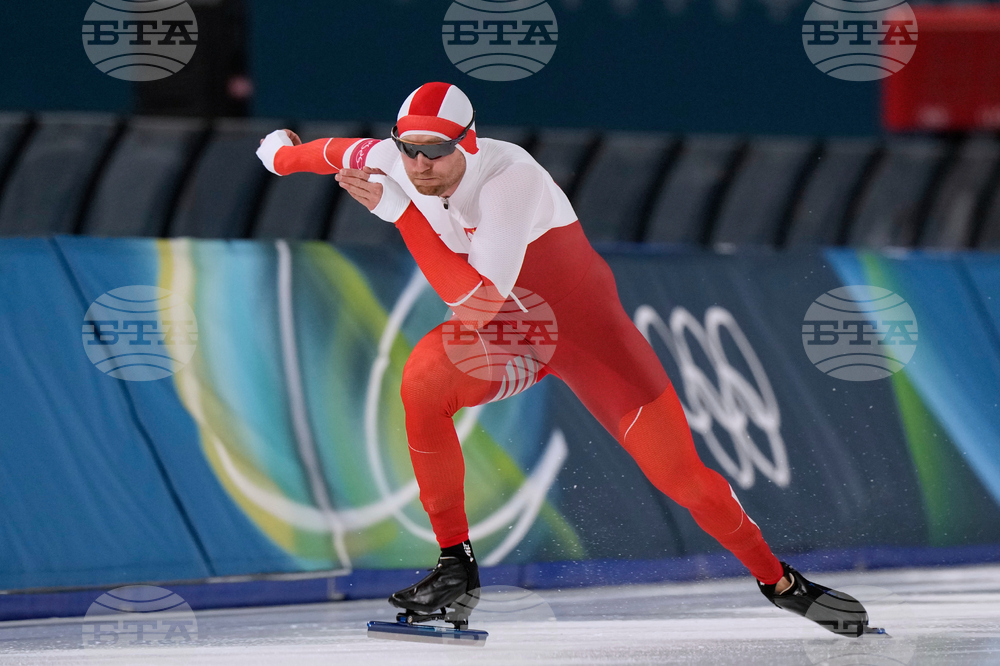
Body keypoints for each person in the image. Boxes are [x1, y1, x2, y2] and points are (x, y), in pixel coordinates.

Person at [257, 82, 874, 636]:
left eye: (436, 152)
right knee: (421, 382)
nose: (420, 165)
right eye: (410, 150)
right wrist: (281, 154)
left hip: (586, 338)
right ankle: (455, 567)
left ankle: (779, 582)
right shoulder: (394, 157)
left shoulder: (509, 176)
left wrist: (397, 214)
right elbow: (330, 152)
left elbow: (475, 301)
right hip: (512, 335)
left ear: (468, 145)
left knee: (681, 479)